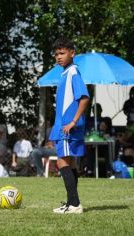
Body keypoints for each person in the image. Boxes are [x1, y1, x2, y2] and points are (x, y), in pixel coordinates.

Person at [49, 37, 89, 214]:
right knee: (70, 163)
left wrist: (72, 121)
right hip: (65, 126)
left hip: (68, 126)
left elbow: (85, 98)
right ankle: (72, 203)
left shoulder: (73, 72)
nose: (58, 57)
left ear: (72, 53)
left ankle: (74, 204)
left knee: (62, 161)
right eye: (56, 54)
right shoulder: (66, 73)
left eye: (62, 53)